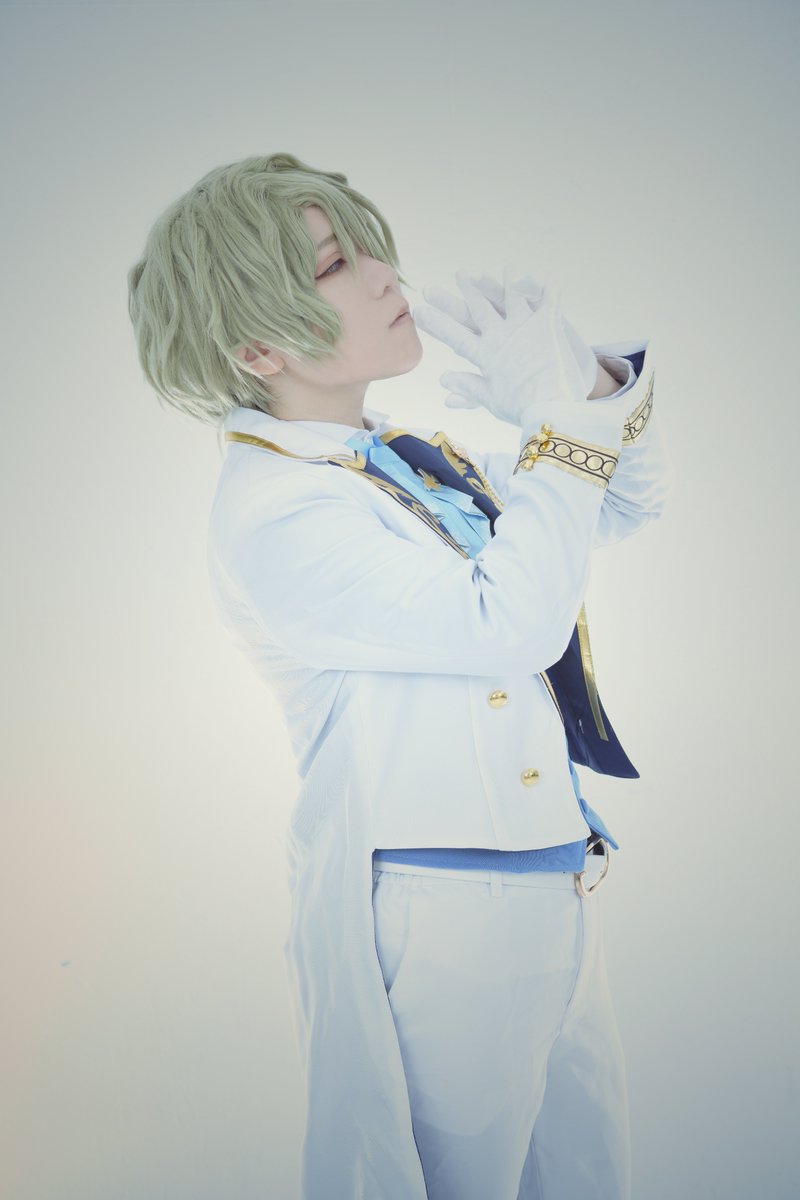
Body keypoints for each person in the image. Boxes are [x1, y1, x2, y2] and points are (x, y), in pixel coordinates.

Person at [127, 151, 673, 1200]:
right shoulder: (276, 510)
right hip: (447, 918)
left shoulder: (401, 463)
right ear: (255, 345)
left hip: (554, 885)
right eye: (335, 264)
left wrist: (587, 389)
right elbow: (510, 620)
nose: (385, 275)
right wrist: (558, 429)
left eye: (370, 248)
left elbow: (617, 505)